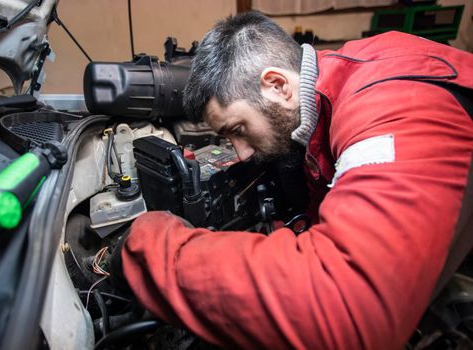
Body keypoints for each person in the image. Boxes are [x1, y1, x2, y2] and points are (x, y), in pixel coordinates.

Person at [114, 11, 473, 349]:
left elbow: (348, 312)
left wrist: (153, 247)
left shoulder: (388, 102)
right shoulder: (329, 87)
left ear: (277, 85)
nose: (240, 154)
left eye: (238, 129)